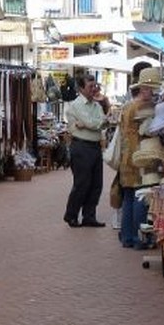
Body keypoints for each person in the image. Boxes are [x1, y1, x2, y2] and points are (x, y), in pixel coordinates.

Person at [118, 67, 160, 247]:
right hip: (139, 156)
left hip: (126, 156)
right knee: (139, 197)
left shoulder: (128, 106)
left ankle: (127, 236)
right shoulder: (142, 108)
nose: (153, 93)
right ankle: (138, 238)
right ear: (144, 89)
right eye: (152, 89)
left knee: (128, 197)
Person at [63, 74, 110, 227]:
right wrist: (94, 123)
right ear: (81, 88)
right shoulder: (76, 106)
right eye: (90, 86)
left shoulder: (96, 105)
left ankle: (89, 216)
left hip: (95, 146)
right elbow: (91, 122)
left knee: (97, 184)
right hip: (81, 146)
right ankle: (71, 215)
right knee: (82, 183)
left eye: (95, 85)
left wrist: (94, 123)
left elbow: (103, 123)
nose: (94, 89)